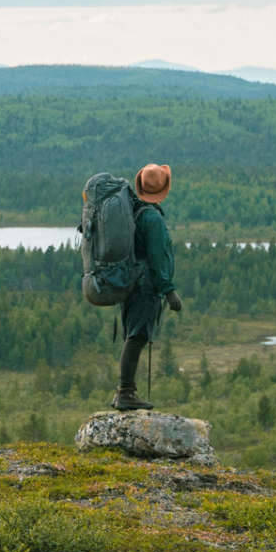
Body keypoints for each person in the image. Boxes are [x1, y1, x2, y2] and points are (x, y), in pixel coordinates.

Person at [110, 162, 182, 409]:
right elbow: (157, 258)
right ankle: (125, 392)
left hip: (130, 286)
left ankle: (125, 390)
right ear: (163, 189)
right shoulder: (152, 218)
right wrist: (169, 290)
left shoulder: (135, 212)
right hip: (146, 288)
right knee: (137, 337)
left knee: (133, 336)